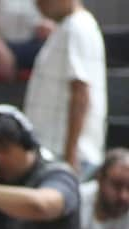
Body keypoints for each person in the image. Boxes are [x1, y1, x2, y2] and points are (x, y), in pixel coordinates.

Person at [23, 0, 106, 175]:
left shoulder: (76, 27)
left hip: (66, 156)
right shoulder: (68, 26)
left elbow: (81, 93)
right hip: (55, 154)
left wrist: (71, 154)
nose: (38, 3)